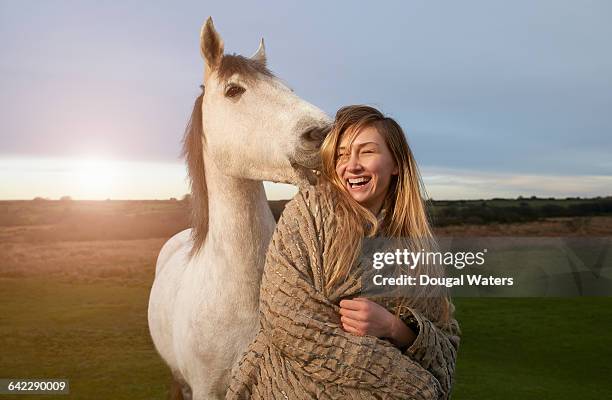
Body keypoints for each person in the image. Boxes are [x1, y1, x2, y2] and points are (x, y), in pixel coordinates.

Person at [226, 105, 460, 400]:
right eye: (341, 154)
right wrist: (412, 385)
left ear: (396, 164)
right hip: (282, 386)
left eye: (366, 151)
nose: (352, 165)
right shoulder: (307, 215)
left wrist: (394, 327)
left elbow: (445, 347)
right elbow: (286, 316)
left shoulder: (418, 250)